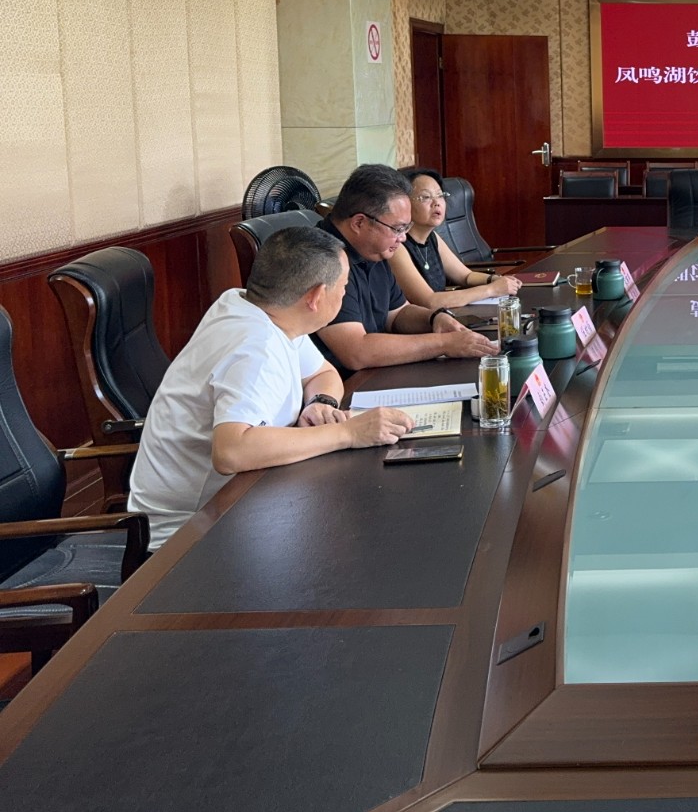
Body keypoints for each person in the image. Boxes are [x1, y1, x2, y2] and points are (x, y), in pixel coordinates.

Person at [128, 227, 415, 550]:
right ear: (316, 297)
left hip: (244, 497)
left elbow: (323, 373)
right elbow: (231, 451)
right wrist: (348, 433)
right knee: (364, 536)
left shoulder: (258, 308)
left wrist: (320, 403)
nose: (345, 293)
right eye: (344, 286)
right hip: (189, 538)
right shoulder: (255, 347)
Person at [314, 163, 497, 374]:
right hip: (344, 385)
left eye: (406, 228)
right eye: (398, 229)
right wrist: (444, 343)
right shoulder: (321, 258)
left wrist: (434, 318)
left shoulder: (374, 249)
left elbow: (397, 313)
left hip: (379, 372)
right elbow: (357, 352)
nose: (402, 238)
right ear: (359, 223)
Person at [389, 168, 523, 312]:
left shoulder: (432, 237)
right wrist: (491, 290)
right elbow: (430, 301)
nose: (436, 203)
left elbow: (466, 276)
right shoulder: (397, 246)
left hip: (441, 318)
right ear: (405, 204)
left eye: (440, 195)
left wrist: (496, 279)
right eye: (426, 197)